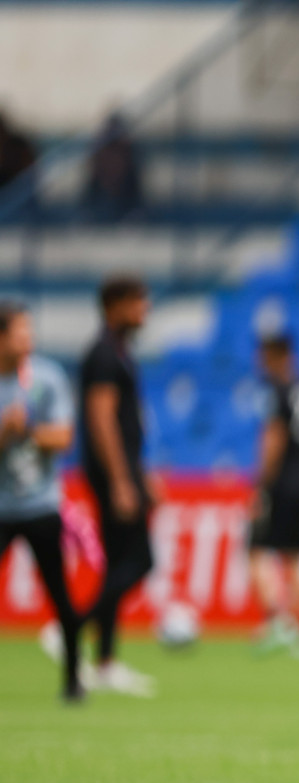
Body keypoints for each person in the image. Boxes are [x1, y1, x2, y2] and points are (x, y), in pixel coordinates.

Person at [0, 302, 84, 701]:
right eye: (20, 332)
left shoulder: (47, 378)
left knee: (60, 595)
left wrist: (28, 429)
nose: (28, 339)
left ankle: (73, 680)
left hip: (41, 505)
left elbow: (64, 437)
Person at [78, 275, 156, 696]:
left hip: (125, 471)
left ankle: (104, 661)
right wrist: (122, 481)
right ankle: (74, 626)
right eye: (138, 301)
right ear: (116, 305)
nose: (145, 310)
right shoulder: (105, 354)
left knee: (117, 564)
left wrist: (141, 473)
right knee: (140, 559)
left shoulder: (117, 352)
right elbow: (102, 418)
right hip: (114, 475)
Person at [249, 333, 299, 656]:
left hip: (281, 484)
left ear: (278, 356)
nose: (261, 365)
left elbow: (274, 440)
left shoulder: (278, 393)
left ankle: (277, 621)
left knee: (256, 550)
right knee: (295, 557)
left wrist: (261, 486)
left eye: (265, 357)